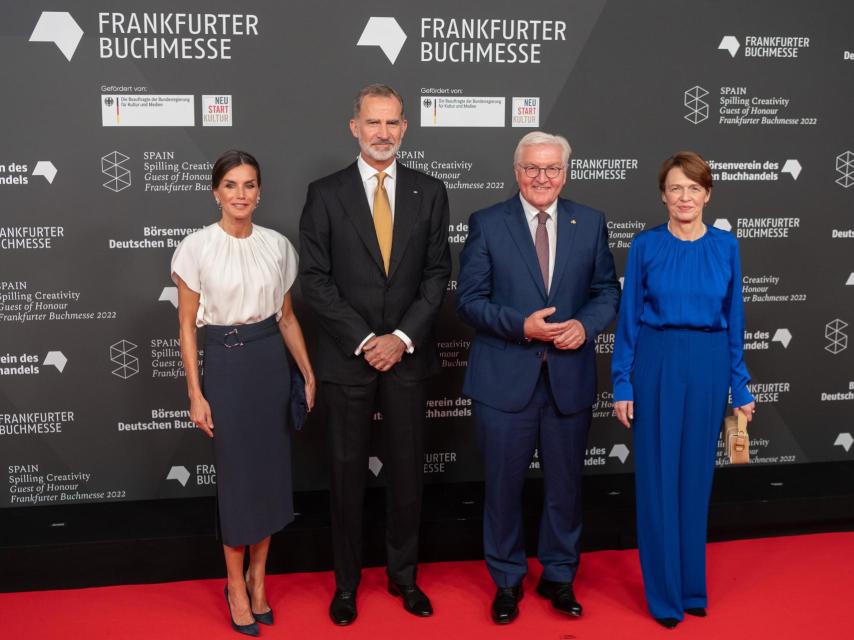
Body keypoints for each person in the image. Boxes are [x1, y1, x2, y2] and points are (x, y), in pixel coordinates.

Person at [298, 84, 451, 625]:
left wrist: (400, 338)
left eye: (392, 124)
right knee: (345, 477)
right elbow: (314, 280)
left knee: (407, 474)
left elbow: (437, 277)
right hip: (347, 357)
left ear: (404, 128)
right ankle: (345, 585)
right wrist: (365, 340)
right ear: (354, 126)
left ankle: (404, 579)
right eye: (372, 123)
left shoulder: (430, 192)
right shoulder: (325, 193)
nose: (382, 133)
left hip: (407, 355)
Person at [456, 131, 620, 624]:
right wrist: (521, 326)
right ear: (516, 171)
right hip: (504, 381)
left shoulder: (589, 222)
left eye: (551, 169)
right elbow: (468, 300)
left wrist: (584, 326)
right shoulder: (487, 223)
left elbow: (606, 291)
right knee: (502, 488)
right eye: (532, 168)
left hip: (567, 380)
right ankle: (506, 581)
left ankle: (559, 576)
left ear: (565, 173)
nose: (542, 178)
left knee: (565, 488)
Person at [172, 150, 315, 637]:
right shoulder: (196, 248)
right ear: (215, 192)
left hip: (270, 362)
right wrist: (195, 390)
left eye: (249, 185)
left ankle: (259, 580)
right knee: (237, 480)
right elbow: (187, 328)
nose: (240, 194)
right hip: (227, 366)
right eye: (231, 185)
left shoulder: (277, 246)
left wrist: (307, 372)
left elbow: (287, 317)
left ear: (260, 192)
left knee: (272, 476)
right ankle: (234, 585)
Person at [611, 151, 756, 629]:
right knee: (657, 480)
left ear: (708, 193)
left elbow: (734, 320)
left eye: (694, 188)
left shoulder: (727, 246)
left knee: (696, 478)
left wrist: (740, 385)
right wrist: (622, 382)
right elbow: (628, 320)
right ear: (663, 196)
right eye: (676, 188)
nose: (685, 197)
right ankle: (666, 595)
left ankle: (693, 587)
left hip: (711, 363)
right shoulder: (646, 246)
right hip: (657, 360)